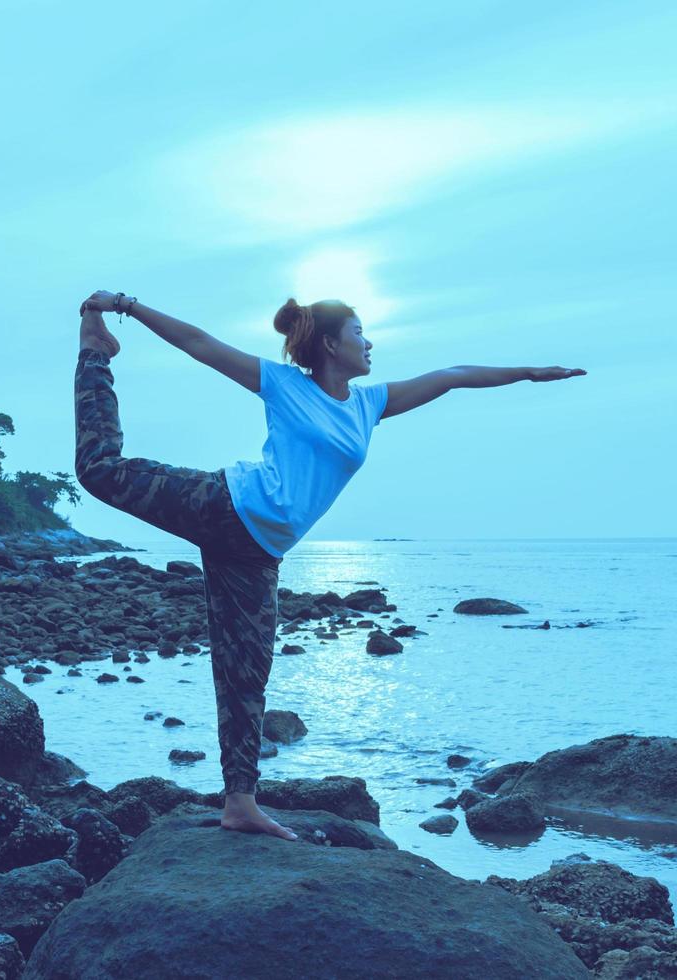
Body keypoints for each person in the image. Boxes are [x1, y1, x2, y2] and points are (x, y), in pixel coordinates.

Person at [73, 289, 585, 840]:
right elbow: (199, 344)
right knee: (100, 470)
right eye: (359, 332)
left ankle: (239, 803)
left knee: (246, 675)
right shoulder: (285, 385)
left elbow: (453, 374)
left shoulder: (370, 404)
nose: (369, 342)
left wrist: (528, 373)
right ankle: (95, 351)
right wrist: (128, 306)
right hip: (224, 505)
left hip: (260, 552)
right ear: (330, 344)